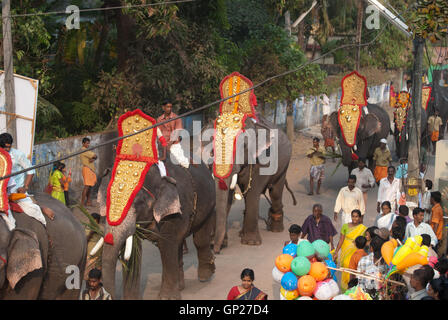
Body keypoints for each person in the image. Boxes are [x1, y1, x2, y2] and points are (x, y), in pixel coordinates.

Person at [0, 133, 54, 226]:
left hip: (17, 191)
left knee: (32, 210)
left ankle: (45, 227)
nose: (7, 149)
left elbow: (30, 171)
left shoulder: (18, 155)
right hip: (2, 192)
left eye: (9, 147)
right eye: (5, 147)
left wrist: (25, 187)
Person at [333, 209, 367, 291]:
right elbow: (341, 240)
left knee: (353, 269)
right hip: (345, 251)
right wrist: (336, 251)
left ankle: (352, 289)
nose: (354, 218)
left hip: (355, 251)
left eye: (356, 217)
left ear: (360, 218)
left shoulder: (363, 229)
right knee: (345, 268)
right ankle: (344, 289)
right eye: (353, 216)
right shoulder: (345, 226)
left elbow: (365, 242)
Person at [157, 100, 189, 169]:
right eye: (167, 107)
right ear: (163, 108)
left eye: (170, 107)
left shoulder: (177, 118)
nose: (169, 109)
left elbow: (177, 132)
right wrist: (162, 145)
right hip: (163, 145)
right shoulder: (159, 119)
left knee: (183, 162)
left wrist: (169, 144)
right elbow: (159, 133)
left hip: (174, 144)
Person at [84, 213, 103, 281]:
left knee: (96, 275)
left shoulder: (101, 230)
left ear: (98, 222)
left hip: (97, 257)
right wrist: (91, 233)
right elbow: (85, 241)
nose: (93, 224)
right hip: (88, 256)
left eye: (94, 222)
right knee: (88, 275)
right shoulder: (87, 229)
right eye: (91, 221)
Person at [80, 137, 97, 207]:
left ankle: (88, 202)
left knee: (89, 186)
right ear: (83, 143)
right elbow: (95, 155)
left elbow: (95, 157)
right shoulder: (83, 150)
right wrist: (94, 158)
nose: (88, 144)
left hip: (90, 169)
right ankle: (82, 204)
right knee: (86, 186)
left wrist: (93, 158)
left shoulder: (86, 150)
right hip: (87, 169)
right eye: (87, 143)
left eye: (88, 143)